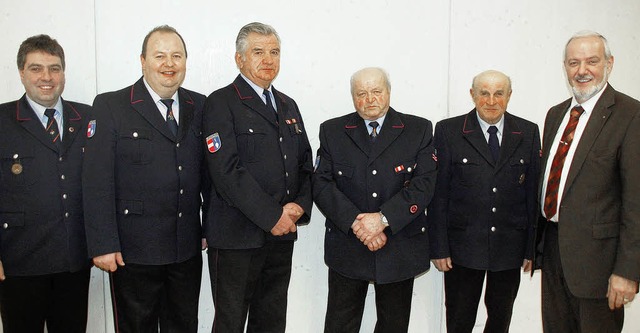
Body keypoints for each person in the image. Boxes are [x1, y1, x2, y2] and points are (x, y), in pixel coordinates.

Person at [83, 25, 207, 332]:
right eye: (160, 56)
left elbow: (210, 176)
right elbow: (96, 180)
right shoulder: (112, 106)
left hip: (185, 247)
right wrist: (102, 243)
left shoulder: (200, 105)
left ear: (186, 62)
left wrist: (209, 228)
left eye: (176, 56)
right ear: (142, 61)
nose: (169, 64)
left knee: (184, 326)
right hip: (133, 251)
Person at [202, 22, 313, 333]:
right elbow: (225, 170)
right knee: (231, 322)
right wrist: (271, 215)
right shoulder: (220, 102)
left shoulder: (288, 105)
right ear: (240, 60)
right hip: (237, 237)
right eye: (259, 52)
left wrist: (299, 208)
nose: (268, 60)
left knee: (272, 321)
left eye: (274, 52)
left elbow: (306, 164)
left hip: (281, 236)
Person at [313, 67, 437, 333]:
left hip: (399, 245)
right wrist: (358, 224)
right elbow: (321, 184)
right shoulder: (333, 130)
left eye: (377, 91)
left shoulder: (418, 129)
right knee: (339, 325)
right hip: (348, 245)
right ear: (353, 97)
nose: (370, 99)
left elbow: (424, 184)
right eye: (362, 93)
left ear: (389, 92)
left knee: (394, 326)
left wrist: (382, 220)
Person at [534, 30, 640, 333]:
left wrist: (628, 271)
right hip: (553, 253)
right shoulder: (556, 115)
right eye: (573, 62)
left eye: (591, 61)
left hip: (600, 265)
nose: (582, 71)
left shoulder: (631, 115)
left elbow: (636, 201)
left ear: (609, 63)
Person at [429, 70, 540, 333]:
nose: (491, 101)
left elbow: (532, 195)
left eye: (499, 93)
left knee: (500, 320)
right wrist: (439, 247)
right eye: (484, 93)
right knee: (459, 320)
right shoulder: (448, 131)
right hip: (462, 248)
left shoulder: (527, 131)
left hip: (509, 247)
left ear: (509, 96)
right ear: (472, 95)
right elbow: (438, 194)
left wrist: (531, 249)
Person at [0, 34, 91, 333]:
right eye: (36, 68)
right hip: (19, 263)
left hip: (74, 261)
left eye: (54, 68)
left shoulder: (89, 117)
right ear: (21, 73)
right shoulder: (2, 120)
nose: (47, 77)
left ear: (64, 72)